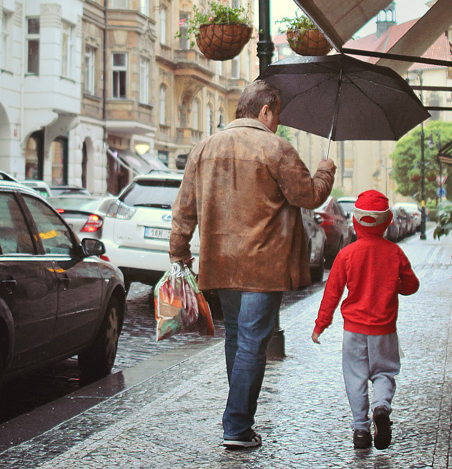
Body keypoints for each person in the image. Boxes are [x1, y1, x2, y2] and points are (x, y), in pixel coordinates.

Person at [169, 80, 336, 449]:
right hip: (263, 264)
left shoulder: (204, 148)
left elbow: (184, 208)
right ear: (264, 111)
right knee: (251, 343)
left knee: (236, 338)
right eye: (277, 114)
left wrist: (179, 252)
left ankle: (239, 418)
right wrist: (325, 171)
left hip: (220, 263)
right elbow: (308, 195)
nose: (277, 122)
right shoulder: (275, 147)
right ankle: (237, 426)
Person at [311, 189, 419, 450]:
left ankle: (360, 430)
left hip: (354, 331)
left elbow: (332, 293)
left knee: (355, 378)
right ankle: (381, 407)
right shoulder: (394, 252)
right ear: (387, 221)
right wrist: (393, 285)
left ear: (356, 221)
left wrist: (320, 325)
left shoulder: (347, 254)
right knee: (384, 372)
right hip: (384, 330)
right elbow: (411, 285)